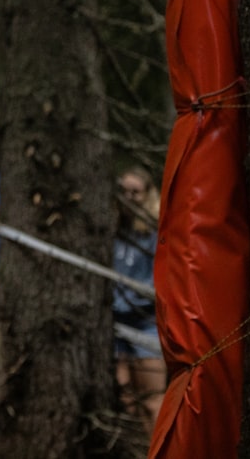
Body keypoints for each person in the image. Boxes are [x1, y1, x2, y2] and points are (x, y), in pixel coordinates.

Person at [113, 166, 166, 434]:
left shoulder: (156, 234)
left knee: (153, 402)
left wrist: (132, 298)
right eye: (123, 191)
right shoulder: (112, 232)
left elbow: (160, 282)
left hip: (146, 324)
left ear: (148, 195)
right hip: (116, 326)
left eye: (135, 192)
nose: (128, 197)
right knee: (126, 401)